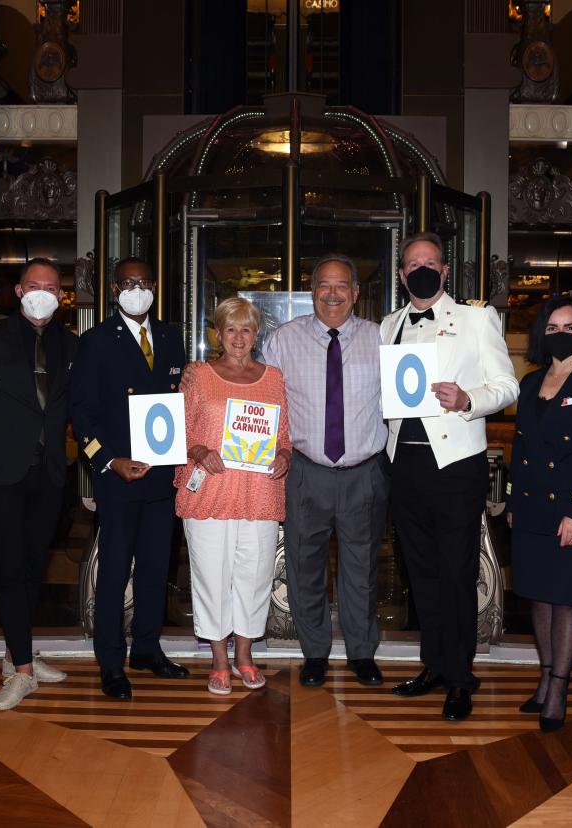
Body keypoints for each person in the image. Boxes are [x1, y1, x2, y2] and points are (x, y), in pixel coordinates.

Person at [380, 232, 519, 721]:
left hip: (456, 465)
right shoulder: (389, 323)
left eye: (430, 262)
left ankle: (461, 677)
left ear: (444, 272)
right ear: (401, 275)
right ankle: (435, 665)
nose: (421, 269)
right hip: (405, 466)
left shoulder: (477, 318)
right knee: (421, 573)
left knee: (457, 574)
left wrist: (467, 400)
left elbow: (506, 385)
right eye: (411, 263)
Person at [261, 253, 389, 689]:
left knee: (360, 568)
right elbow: (260, 398)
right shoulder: (282, 340)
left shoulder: (382, 339)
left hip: (364, 473)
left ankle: (361, 653)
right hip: (305, 472)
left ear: (355, 293)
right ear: (311, 292)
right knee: (304, 565)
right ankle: (314, 652)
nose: (332, 294)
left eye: (341, 287)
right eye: (323, 286)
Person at [69, 257, 190, 700]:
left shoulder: (171, 337)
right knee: (115, 571)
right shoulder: (97, 341)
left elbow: (179, 402)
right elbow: (81, 413)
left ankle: (146, 648)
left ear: (155, 285)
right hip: (119, 478)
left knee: (158, 569)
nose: (136, 289)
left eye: (144, 282)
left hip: (161, 478)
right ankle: (110, 661)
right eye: (127, 283)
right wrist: (109, 461)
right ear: (114, 288)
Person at [0, 257, 77, 710]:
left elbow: (81, 404)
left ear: (62, 296)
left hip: (49, 471)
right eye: (34, 285)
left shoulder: (72, 345)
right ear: (18, 291)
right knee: (9, 567)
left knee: (34, 567)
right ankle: (24, 673)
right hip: (0, 470)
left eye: (51, 287)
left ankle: (16, 653)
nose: (42, 293)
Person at [506, 295, 572, 732]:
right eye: (553, 327)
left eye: (570, 327)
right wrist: (512, 501)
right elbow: (520, 448)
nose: (561, 334)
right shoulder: (530, 383)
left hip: (571, 511)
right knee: (538, 594)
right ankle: (545, 677)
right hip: (531, 509)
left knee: (566, 598)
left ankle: (560, 688)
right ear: (542, 334)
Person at [175, 297, 291, 695]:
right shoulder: (198, 377)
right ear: (219, 334)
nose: (239, 337)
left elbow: (285, 436)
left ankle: (245, 656)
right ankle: (219, 660)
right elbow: (181, 433)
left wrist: (284, 456)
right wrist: (199, 452)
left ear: (256, 334)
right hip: (209, 492)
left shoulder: (274, 378)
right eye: (231, 329)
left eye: (246, 329)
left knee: (254, 577)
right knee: (211, 578)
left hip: (258, 493)